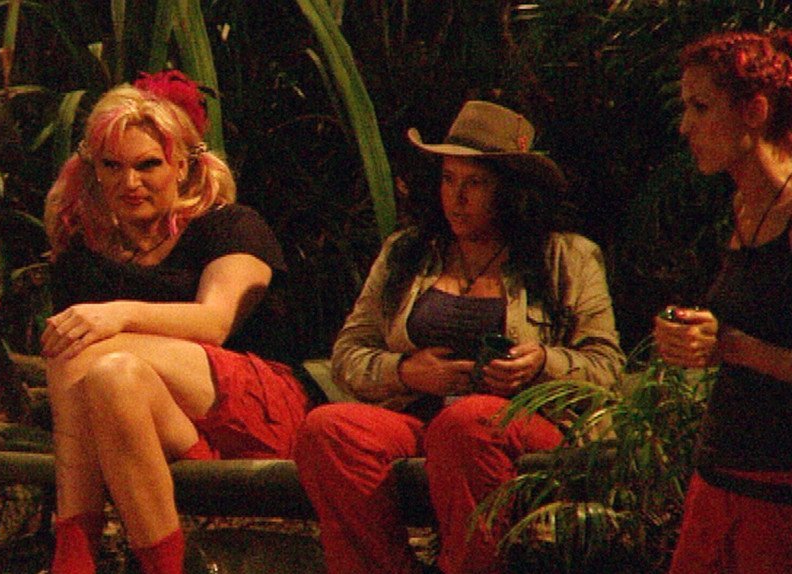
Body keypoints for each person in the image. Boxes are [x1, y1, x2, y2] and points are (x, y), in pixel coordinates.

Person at [293, 100, 625, 574]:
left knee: (466, 422)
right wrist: (406, 372)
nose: (457, 197)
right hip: (419, 417)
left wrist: (540, 364)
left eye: (475, 183)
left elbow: (607, 368)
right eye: (448, 180)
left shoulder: (566, 257)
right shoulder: (407, 253)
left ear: (510, 191)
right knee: (328, 429)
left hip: (519, 423)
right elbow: (348, 353)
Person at [41, 69, 313, 574]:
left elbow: (215, 322)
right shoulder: (85, 257)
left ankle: (73, 554)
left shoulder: (230, 226)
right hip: (169, 429)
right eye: (113, 166)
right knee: (111, 374)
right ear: (94, 170)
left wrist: (119, 313)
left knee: (81, 346)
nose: (130, 183)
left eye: (147, 164)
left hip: (257, 411)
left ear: (182, 166)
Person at [654, 30, 792, 574]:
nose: (685, 126)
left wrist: (733, 346)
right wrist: (690, 335)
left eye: (701, 107)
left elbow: (747, 342)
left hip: (778, 490)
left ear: (754, 111)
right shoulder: (742, 207)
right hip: (721, 474)